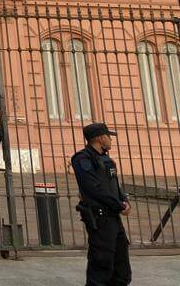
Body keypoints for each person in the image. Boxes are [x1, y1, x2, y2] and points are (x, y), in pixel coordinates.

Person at [72, 122, 131, 286]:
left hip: (114, 218)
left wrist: (124, 201)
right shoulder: (82, 159)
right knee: (101, 267)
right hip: (100, 219)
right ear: (99, 138)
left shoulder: (107, 160)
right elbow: (93, 189)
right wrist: (119, 205)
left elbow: (115, 186)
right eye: (108, 136)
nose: (110, 140)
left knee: (122, 270)